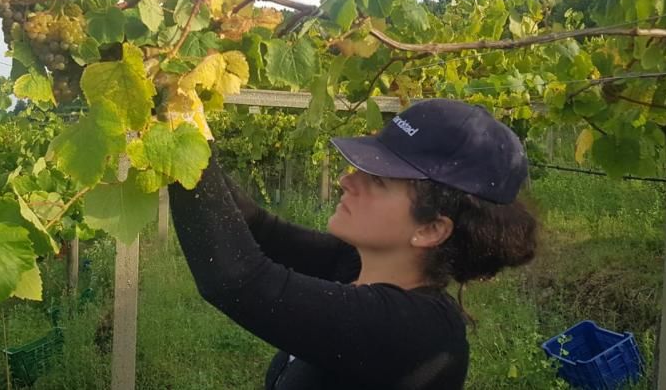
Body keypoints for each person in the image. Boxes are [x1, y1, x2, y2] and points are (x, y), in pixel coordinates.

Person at [168, 98, 539, 389]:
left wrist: (175, 133)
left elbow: (238, 280)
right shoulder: (358, 266)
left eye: (377, 181)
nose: (348, 181)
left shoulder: (417, 332)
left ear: (430, 229)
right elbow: (259, 228)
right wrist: (190, 127)